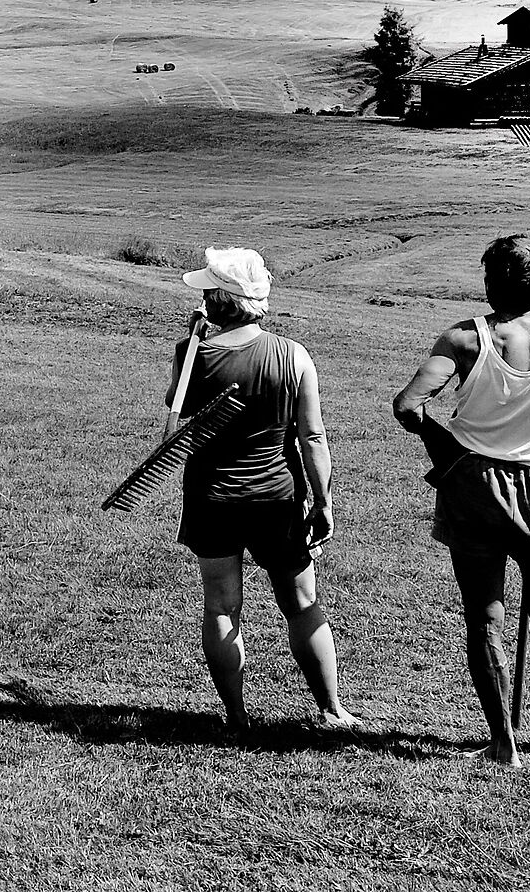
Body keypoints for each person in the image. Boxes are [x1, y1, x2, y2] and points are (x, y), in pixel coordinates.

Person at [392, 220, 530, 766]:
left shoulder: (466, 338)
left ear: (490, 283)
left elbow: (408, 405)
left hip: (475, 484)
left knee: (485, 615)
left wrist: (449, 452)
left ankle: (503, 742)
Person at [168, 246, 356, 734]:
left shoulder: (195, 355)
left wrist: (190, 349)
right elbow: (311, 436)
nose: (203, 296)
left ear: (221, 299)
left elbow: (177, 404)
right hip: (277, 494)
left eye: (209, 289)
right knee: (302, 603)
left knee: (221, 605)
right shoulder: (293, 356)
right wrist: (323, 498)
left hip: (212, 496)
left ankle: (235, 716)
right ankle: (332, 709)